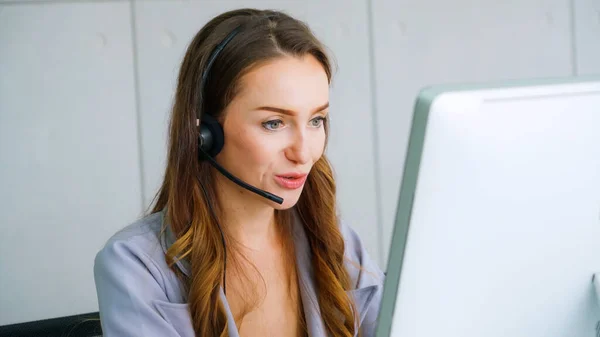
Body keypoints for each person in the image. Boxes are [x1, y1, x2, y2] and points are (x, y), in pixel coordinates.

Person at [93, 8, 384, 337]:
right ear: (205, 135)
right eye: (273, 123)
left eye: (316, 120)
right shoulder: (136, 266)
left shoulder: (333, 240)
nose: (304, 153)